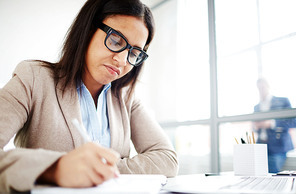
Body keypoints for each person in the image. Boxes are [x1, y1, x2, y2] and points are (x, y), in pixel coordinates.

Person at [0, 0, 179, 192]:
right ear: (88, 30)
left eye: (134, 52)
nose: (121, 60)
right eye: (116, 41)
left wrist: (101, 169)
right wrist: (55, 168)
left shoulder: (126, 98)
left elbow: (167, 158)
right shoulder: (33, 78)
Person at [253, 78, 296, 173]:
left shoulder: (283, 101)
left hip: (277, 147)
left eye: (263, 87)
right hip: (261, 146)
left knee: (272, 176)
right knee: (259, 176)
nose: (261, 90)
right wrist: (256, 126)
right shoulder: (256, 107)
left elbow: (293, 122)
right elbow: (254, 127)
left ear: (268, 86)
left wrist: (272, 123)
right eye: (259, 88)